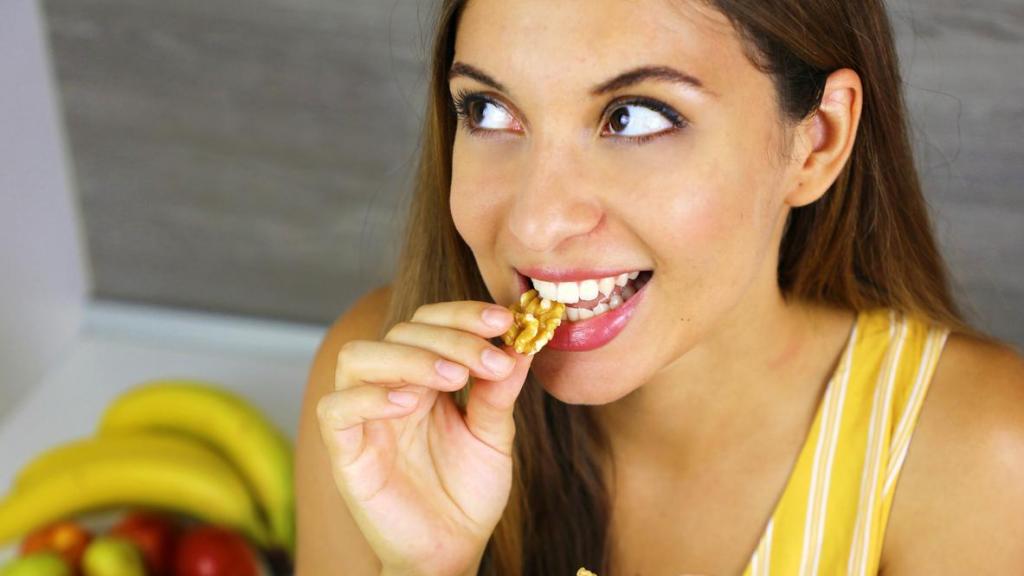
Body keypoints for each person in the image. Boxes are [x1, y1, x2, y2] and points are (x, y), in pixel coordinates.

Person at [296, 0, 1024, 574]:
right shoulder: (382, 402)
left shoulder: (980, 462)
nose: (538, 223)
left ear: (818, 140)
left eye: (635, 118)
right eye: (488, 110)